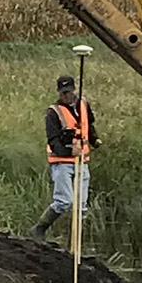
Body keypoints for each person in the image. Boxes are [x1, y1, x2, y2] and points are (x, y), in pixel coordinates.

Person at [32, 73, 94, 242]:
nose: (66, 96)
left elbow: (90, 126)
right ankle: (39, 229)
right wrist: (68, 152)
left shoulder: (83, 105)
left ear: (74, 90)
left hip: (82, 162)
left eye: (68, 92)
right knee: (64, 201)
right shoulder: (53, 112)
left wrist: (95, 140)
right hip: (61, 163)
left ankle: (75, 244)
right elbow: (52, 141)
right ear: (59, 93)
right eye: (63, 93)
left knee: (81, 207)